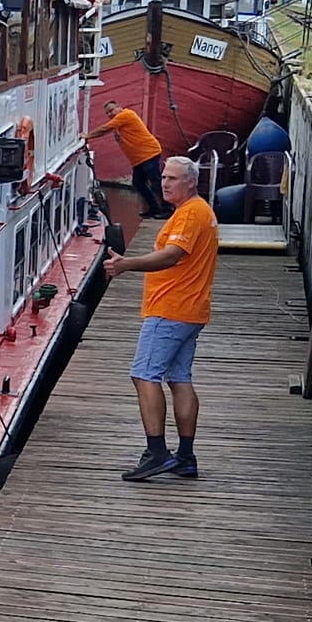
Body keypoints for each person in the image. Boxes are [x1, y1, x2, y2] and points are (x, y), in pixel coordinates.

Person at [104, 155, 217, 481]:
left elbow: (172, 255)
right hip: (189, 310)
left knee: (144, 375)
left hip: (171, 309)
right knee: (179, 378)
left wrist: (127, 264)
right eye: (164, 177)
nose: (164, 183)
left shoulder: (192, 214)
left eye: (172, 179)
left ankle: (156, 452)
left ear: (191, 182)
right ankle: (185, 456)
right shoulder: (194, 212)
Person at [89, 98, 168, 217]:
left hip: (148, 153)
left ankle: (167, 209)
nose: (109, 114)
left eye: (111, 110)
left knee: (155, 182)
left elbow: (104, 129)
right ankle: (155, 208)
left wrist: (87, 136)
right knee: (138, 183)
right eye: (107, 113)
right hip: (139, 159)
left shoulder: (126, 114)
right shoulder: (119, 123)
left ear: (118, 107)